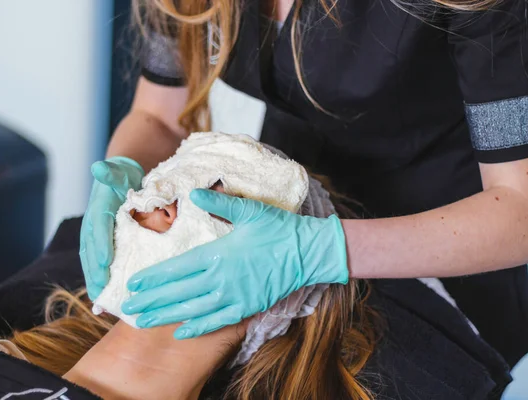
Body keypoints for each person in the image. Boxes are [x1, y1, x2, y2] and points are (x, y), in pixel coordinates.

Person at [80, 0, 528, 367]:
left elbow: (519, 208)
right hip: (279, 212)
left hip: (447, 247)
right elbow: (157, 115)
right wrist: (125, 173)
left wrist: (321, 250)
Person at [0, 162, 510, 400]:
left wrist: (324, 249)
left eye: (217, 188)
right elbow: (157, 111)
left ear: (277, 297)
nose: (158, 193)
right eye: (166, 176)